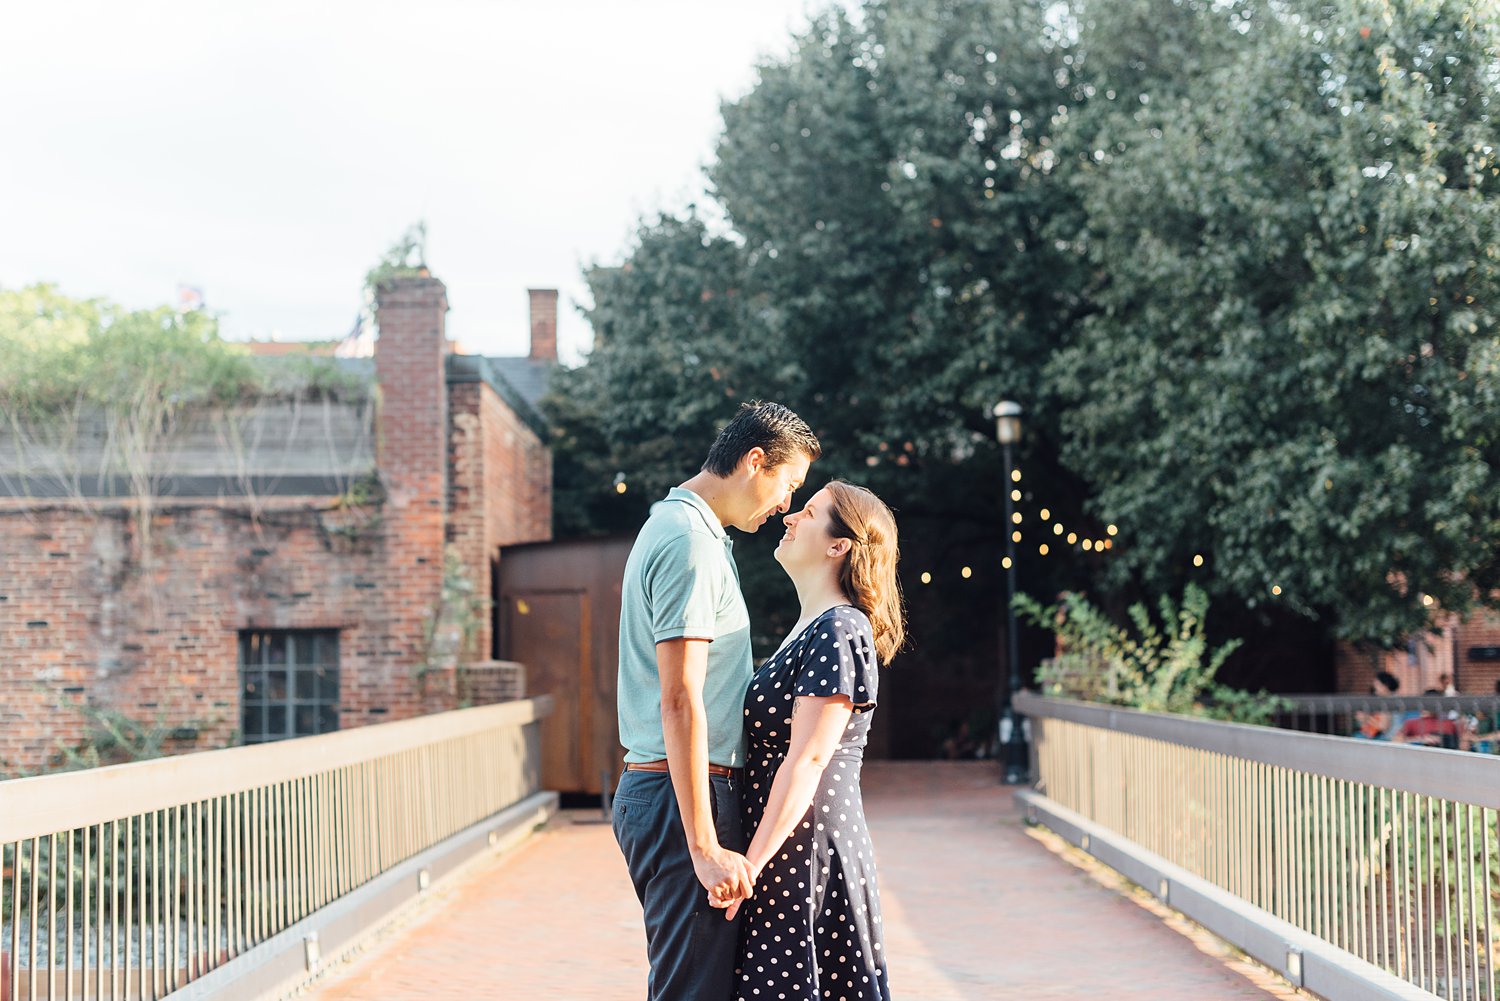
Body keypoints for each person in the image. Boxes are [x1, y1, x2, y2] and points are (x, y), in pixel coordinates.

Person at [612, 401, 820, 1001]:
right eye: (788, 483)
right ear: (756, 462)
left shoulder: (685, 528)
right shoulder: (690, 544)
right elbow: (679, 698)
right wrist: (703, 845)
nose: (786, 503)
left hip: (670, 793)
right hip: (684, 799)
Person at [719, 480, 906, 1001]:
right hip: (784, 846)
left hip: (805, 851)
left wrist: (750, 868)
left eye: (808, 512)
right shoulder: (810, 626)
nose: (789, 518)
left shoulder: (840, 627)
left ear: (837, 545)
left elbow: (808, 759)